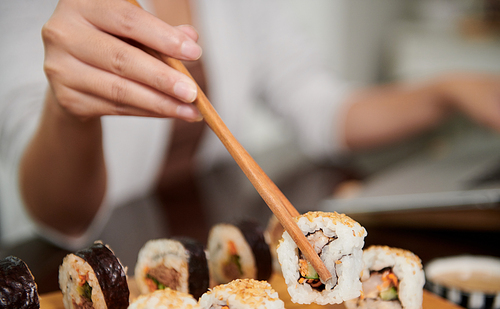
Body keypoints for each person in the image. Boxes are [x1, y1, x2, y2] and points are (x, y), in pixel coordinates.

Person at [1, 0, 499, 250]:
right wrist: (68, 111)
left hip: (208, 239)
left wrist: (446, 90)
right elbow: (59, 215)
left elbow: (319, 106)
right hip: (69, 256)